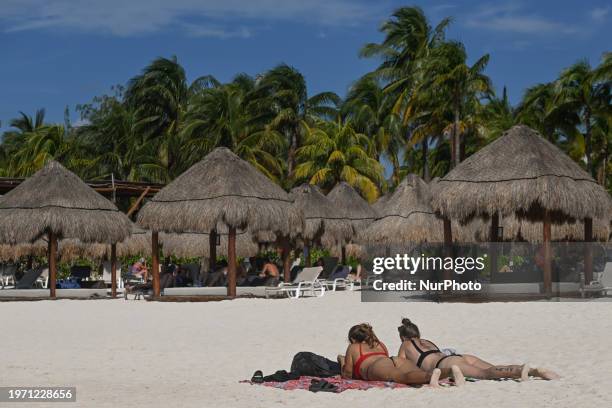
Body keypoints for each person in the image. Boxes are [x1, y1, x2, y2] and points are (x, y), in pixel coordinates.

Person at [397, 318, 560, 380]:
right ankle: (532, 371)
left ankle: (521, 371)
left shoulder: (405, 344)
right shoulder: (427, 341)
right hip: (460, 356)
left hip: (447, 362)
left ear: (404, 337)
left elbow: (401, 366)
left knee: (486, 374)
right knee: (492, 367)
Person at [339, 323, 463, 387]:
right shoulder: (379, 344)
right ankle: (449, 371)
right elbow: (385, 359)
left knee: (404, 377)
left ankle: (433, 377)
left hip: (377, 366)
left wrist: (341, 361)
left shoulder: (354, 347)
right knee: (419, 373)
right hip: (394, 360)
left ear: (353, 339)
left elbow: (348, 375)